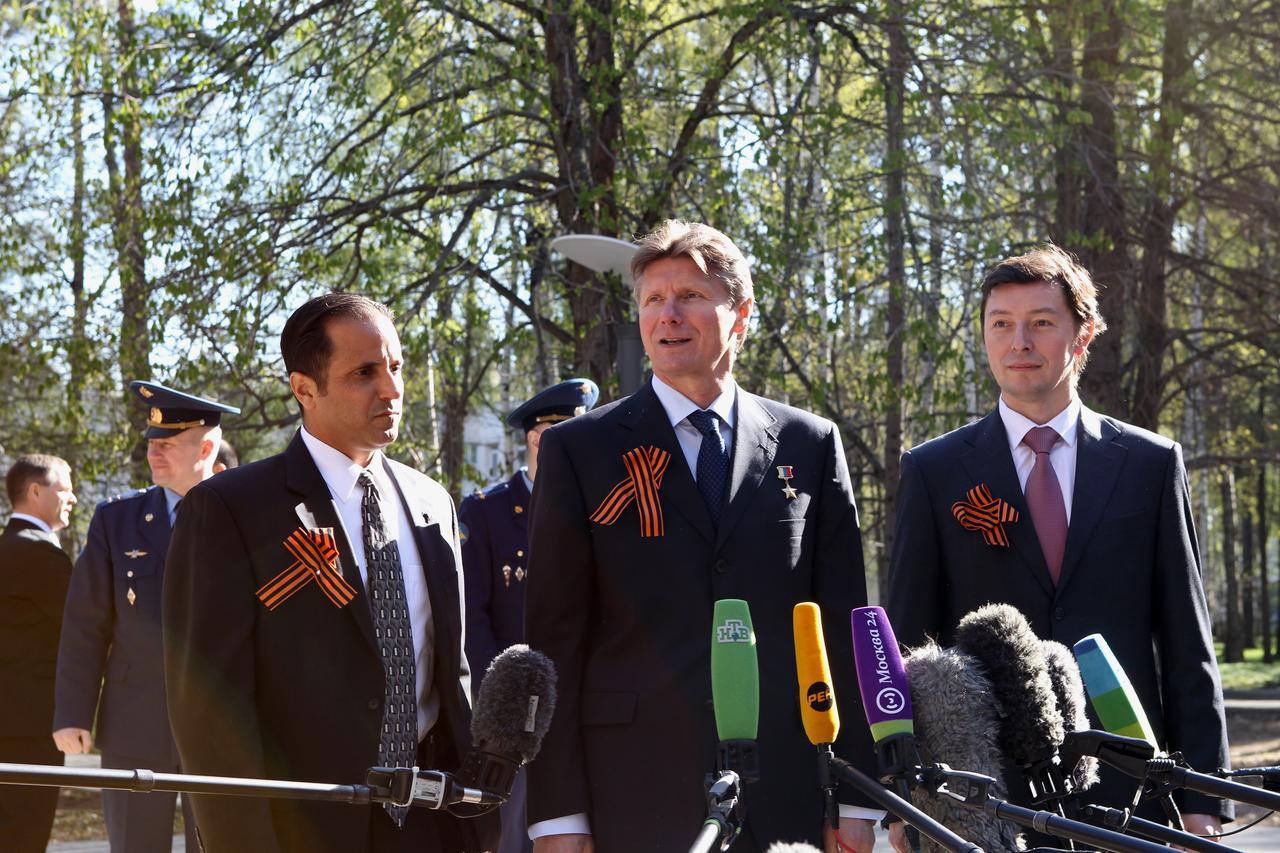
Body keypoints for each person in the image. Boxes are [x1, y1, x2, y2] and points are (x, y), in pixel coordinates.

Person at [524, 220, 880, 853]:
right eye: (652, 300)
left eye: (689, 296)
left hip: (786, 786)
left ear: (739, 313)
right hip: (631, 790)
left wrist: (857, 794)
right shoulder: (578, 451)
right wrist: (558, 814)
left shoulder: (810, 444)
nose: (668, 315)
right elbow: (554, 639)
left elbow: (844, 622)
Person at [885, 245, 1230, 849]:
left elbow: (1185, 641)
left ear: (1084, 334)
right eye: (1001, 324)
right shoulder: (934, 472)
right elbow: (908, 643)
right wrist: (898, 791)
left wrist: (1201, 794)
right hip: (981, 793)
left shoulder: (1149, 464)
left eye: (1041, 322)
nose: (1019, 341)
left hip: (1132, 783)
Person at [163, 292, 499, 853]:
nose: (391, 389)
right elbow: (207, 707)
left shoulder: (430, 502)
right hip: (303, 827)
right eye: (363, 373)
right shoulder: (232, 509)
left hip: (431, 824)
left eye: (395, 367)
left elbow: (451, 670)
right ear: (304, 390)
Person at [53, 381, 238, 853]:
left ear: (207, 447)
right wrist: (73, 713)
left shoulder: (246, 517)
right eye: (152, 443)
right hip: (135, 721)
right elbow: (85, 623)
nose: (154, 453)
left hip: (224, 723)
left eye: (169, 444)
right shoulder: (118, 518)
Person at [459, 377, 598, 853]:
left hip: (592, 711)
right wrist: (501, 714)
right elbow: (471, 622)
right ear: (538, 438)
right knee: (517, 840)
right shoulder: (486, 513)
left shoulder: (601, 509)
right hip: (518, 722)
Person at [0, 454, 76, 852]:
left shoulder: (6, 547)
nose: (73, 497)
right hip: (28, 728)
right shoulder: (39, 556)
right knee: (24, 835)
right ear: (35, 491)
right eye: (64, 488)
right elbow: (82, 627)